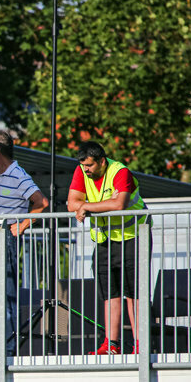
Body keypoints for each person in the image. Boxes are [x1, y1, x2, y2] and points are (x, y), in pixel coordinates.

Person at [67, 140, 149, 355]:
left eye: (90, 166)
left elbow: (118, 204)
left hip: (133, 237)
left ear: (102, 161)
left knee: (134, 293)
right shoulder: (81, 171)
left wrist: (86, 206)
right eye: (83, 166)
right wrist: (94, 205)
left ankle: (140, 344)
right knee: (109, 294)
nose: (86, 170)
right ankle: (111, 344)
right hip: (104, 240)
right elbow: (71, 203)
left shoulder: (120, 172)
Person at [0, 130, 49, 356]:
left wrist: (23, 224)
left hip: (4, 236)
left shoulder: (18, 174)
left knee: (6, 294)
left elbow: (42, 202)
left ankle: (7, 349)